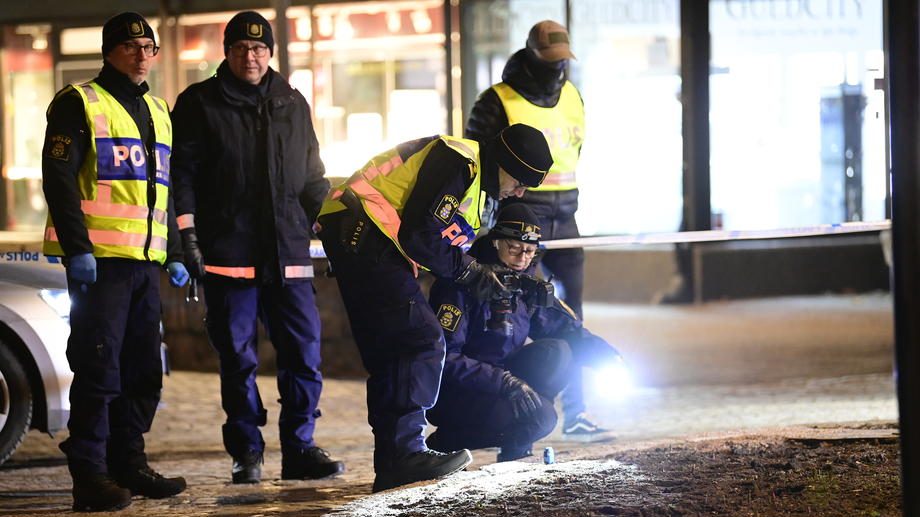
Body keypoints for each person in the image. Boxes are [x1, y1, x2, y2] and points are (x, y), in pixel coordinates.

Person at [316, 123, 553, 491]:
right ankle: (407, 452)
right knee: (422, 339)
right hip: (364, 229)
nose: (518, 192)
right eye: (520, 181)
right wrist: (470, 272)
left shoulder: (474, 192)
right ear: (504, 162)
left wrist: (485, 276)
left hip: (361, 234)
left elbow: (436, 244)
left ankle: (394, 461)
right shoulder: (459, 160)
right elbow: (418, 234)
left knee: (391, 352)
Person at [170, 11, 343, 484]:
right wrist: (187, 238)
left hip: (288, 253)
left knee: (304, 354)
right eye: (242, 49)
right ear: (226, 52)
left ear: (270, 53)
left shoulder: (291, 101)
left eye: (260, 49)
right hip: (230, 254)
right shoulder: (198, 104)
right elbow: (179, 178)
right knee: (239, 360)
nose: (251, 57)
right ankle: (247, 450)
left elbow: (312, 177)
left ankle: (300, 447)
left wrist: (333, 222)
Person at [41, 11, 190, 512]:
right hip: (100, 264)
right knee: (99, 369)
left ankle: (130, 463)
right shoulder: (79, 102)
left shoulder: (158, 110)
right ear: (109, 51)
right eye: (130, 47)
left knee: (144, 370)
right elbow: (59, 180)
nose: (142, 55)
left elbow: (161, 190)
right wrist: (78, 248)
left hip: (144, 263)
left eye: (149, 47)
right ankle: (90, 475)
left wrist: (170, 249)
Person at [465, 20, 605, 440]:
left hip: (568, 216)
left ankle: (579, 411)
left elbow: (576, 151)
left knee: (571, 314)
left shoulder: (573, 95)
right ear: (531, 56)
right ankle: (519, 409)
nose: (557, 69)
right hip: (522, 220)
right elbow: (482, 162)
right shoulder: (497, 100)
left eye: (563, 61)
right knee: (526, 312)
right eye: (550, 61)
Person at [424, 204, 625, 461]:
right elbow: (444, 358)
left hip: (500, 382)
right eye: (514, 248)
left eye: (529, 251)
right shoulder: (464, 283)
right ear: (496, 242)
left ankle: (516, 446)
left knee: (559, 352)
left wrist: (607, 357)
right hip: (457, 393)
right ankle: (447, 441)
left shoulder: (525, 285)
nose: (522, 257)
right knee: (543, 418)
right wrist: (504, 382)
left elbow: (565, 329)